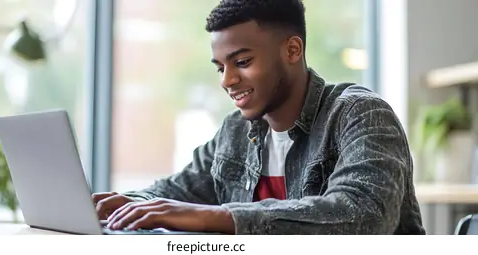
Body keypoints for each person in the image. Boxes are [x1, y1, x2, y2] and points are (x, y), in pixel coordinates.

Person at [93, 0, 426, 235]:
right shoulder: (236, 131)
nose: (226, 80)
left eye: (242, 62)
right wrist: (126, 204)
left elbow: (362, 216)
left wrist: (217, 218)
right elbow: (174, 193)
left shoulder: (360, 114)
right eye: (221, 67)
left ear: (292, 51)